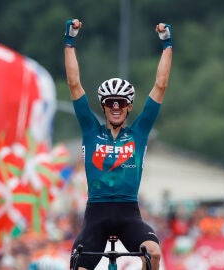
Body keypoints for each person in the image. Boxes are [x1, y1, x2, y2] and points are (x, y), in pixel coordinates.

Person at [64, 18, 172, 270]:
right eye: (111, 102)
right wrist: (69, 41)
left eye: (121, 103)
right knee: (78, 264)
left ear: (129, 107)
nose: (115, 107)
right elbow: (74, 85)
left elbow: (160, 86)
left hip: (129, 215)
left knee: (154, 253)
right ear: (103, 106)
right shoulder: (91, 130)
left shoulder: (139, 132)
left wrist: (167, 44)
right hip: (95, 217)